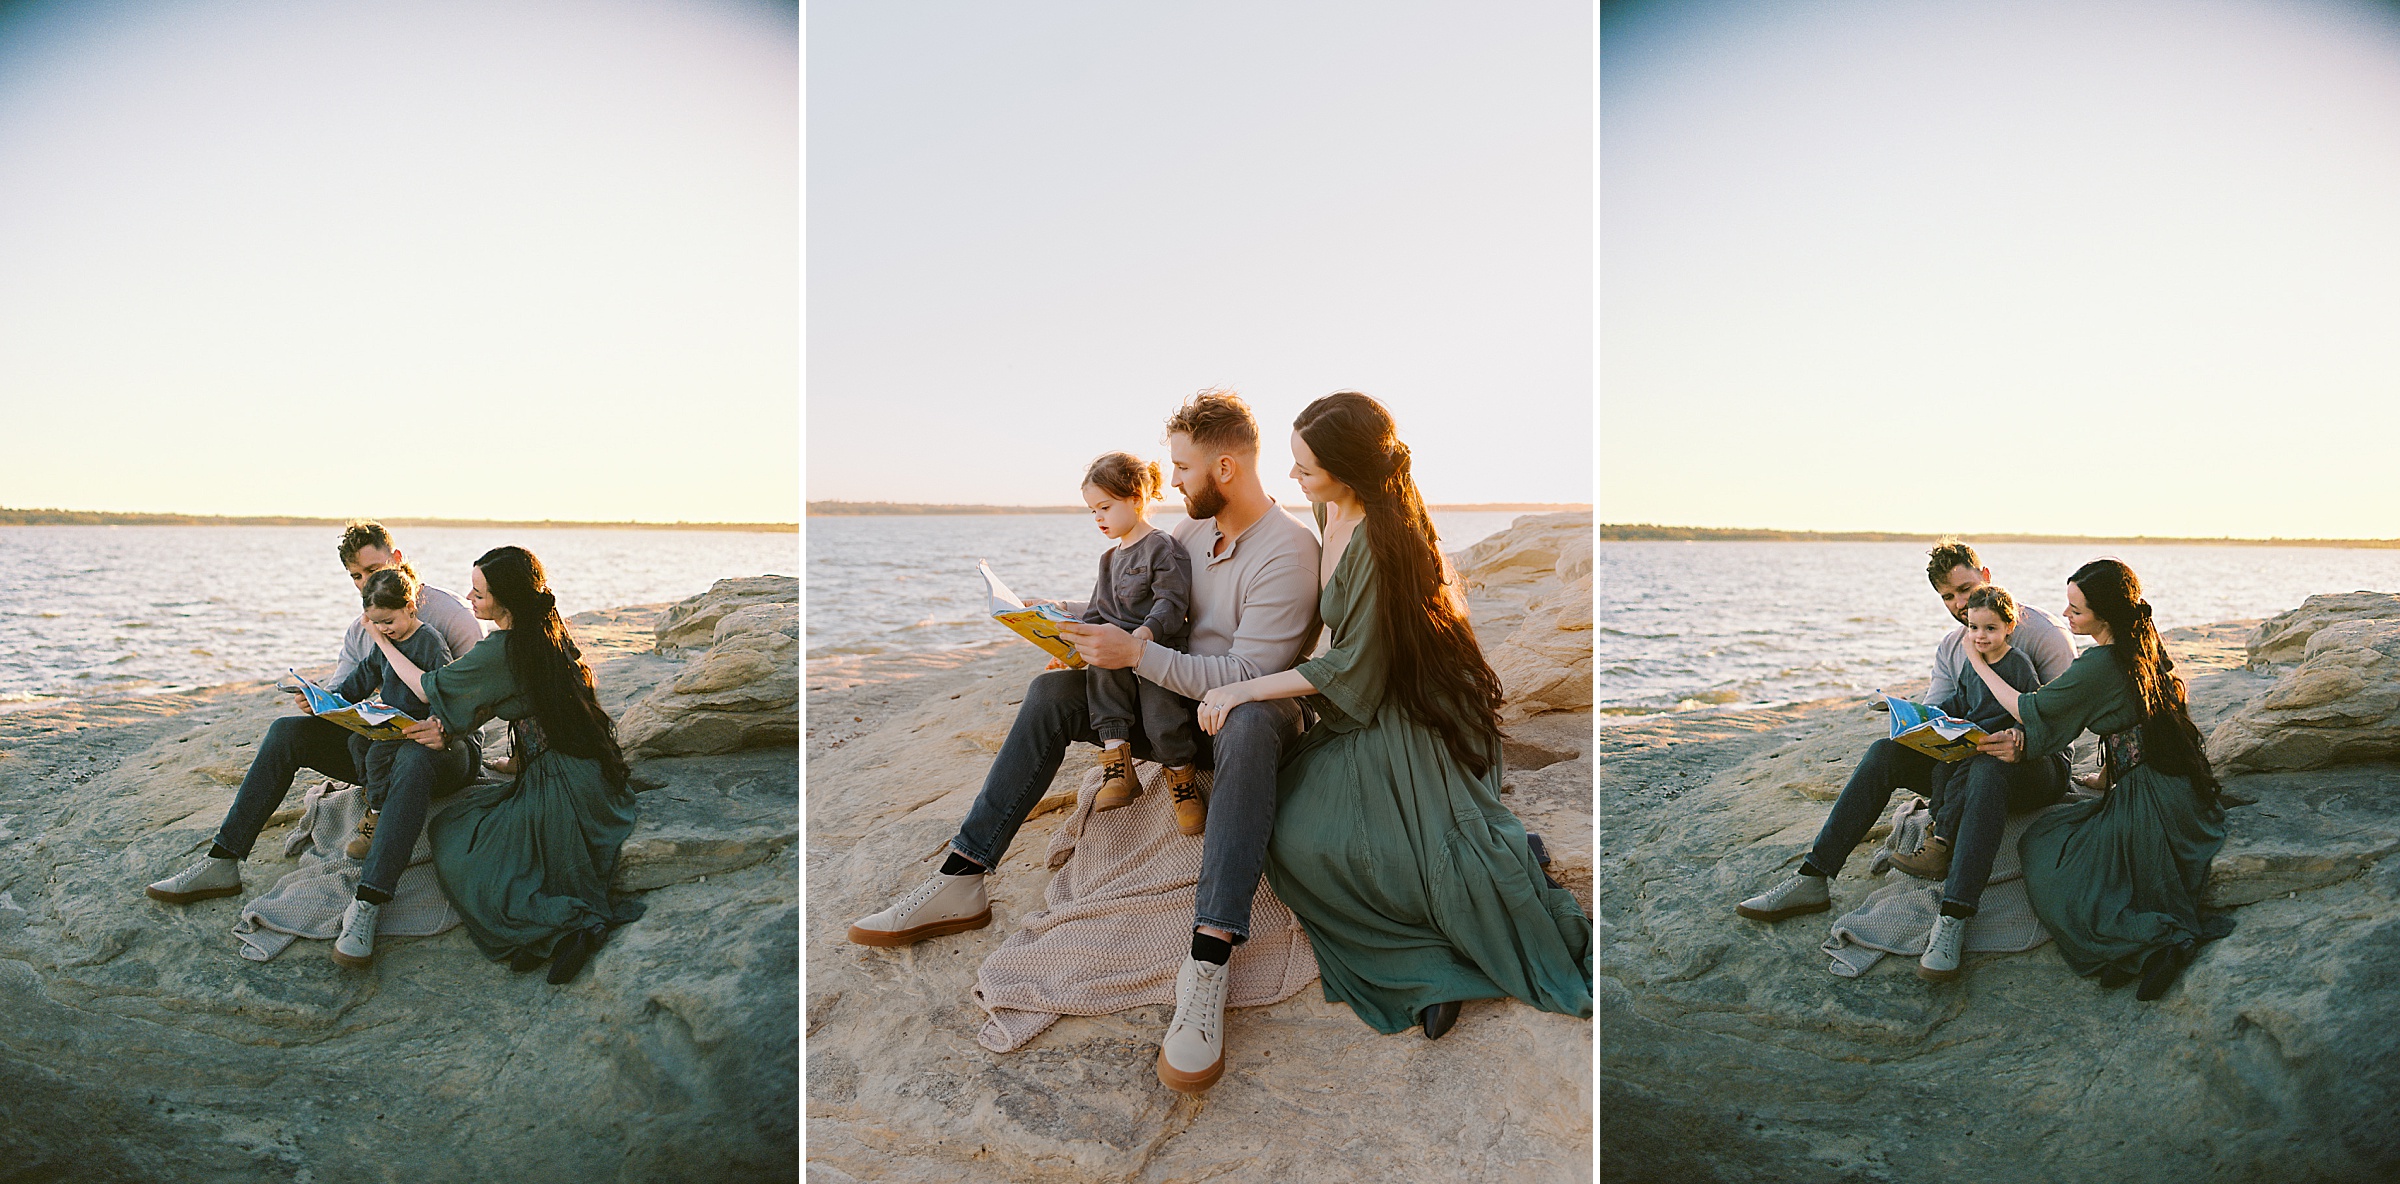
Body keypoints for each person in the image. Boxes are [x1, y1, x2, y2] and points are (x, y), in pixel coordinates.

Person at [845, 389, 1322, 1096]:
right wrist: (1065, 623)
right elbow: (1133, 611)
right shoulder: (1187, 535)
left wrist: (1132, 658)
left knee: (1248, 718)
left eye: (1184, 468)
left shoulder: (1287, 551)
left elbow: (1250, 676)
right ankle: (962, 879)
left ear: (1224, 466)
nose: (1175, 482)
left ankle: (1209, 961)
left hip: (1245, 722)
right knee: (1050, 694)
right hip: (1169, 705)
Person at [1197, 392, 1593, 1043]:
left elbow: (1351, 670)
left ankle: (1438, 961)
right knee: (1293, 834)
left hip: (1407, 715)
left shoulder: (1384, 543)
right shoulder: (1331, 510)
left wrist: (1242, 691)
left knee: (1330, 842)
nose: (1293, 480)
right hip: (1363, 707)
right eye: (1293, 464)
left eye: (1306, 469)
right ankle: (1433, 959)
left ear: (1348, 471)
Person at [1737, 540, 2076, 981]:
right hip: (1971, 758)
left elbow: (2072, 717)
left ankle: (1953, 918)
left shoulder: (2044, 634)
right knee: (1885, 752)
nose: (1959, 605)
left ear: (1987, 575)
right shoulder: (1953, 645)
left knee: (1991, 767)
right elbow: (1939, 715)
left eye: (1965, 588)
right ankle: (1813, 877)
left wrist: (2026, 742)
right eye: (1948, 597)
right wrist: (1916, 724)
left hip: (2040, 767)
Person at [145, 522, 484, 935]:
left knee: (413, 756)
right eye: (356, 577)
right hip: (385, 743)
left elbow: (478, 699)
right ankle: (222, 860)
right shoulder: (365, 624)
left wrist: (446, 731)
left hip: (450, 751)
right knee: (286, 732)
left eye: (373, 570)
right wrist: (319, 701)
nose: (365, 583)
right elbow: (346, 686)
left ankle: (369, 903)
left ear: (397, 561)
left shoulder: (450, 618)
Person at [365, 546, 644, 985]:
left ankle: (563, 928)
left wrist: (381, 639)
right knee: (492, 838)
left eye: (478, 593)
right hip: (589, 771)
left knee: (458, 839)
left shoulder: (503, 649)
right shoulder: (546, 633)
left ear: (505, 600)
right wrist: (511, 758)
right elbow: (539, 707)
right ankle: (547, 936)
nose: (469, 599)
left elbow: (425, 687)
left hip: (559, 782)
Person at [1959, 559, 2230, 1001]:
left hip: (2151, 797)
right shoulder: (2140, 641)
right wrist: (2107, 775)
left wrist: (1979, 661)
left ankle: (2152, 944)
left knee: (2047, 852)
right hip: (2176, 784)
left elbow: (2031, 710)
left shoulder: (2099, 665)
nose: (2065, 616)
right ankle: (2136, 950)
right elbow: (2138, 719)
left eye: (2076, 610)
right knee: (2071, 843)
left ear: (2104, 615)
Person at [1069, 451, 1200, 830]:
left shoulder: (1162, 546)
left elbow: (1172, 602)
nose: (1098, 518)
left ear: (1137, 499)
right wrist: (1071, 646)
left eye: (1105, 508)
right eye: (1092, 511)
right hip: (1116, 651)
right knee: (1102, 674)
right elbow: (1097, 612)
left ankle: (1182, 776)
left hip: (1156, 650)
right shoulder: (1109, 559)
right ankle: (1118, 766)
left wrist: (1145, 634)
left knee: (1163, 719)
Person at [332, 567, 456, 866]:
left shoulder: (429, 641)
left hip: (416, 723)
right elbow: (364, 675)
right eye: (375, 624)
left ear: (410, 608)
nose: (383, 629)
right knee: (356, 744)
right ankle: (376, 794)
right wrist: (332, 700)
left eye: (388, 621)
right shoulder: (385, 640)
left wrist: (438, 722)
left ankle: (377, 816)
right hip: (387, 718)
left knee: (377, 757)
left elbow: (444, 685)